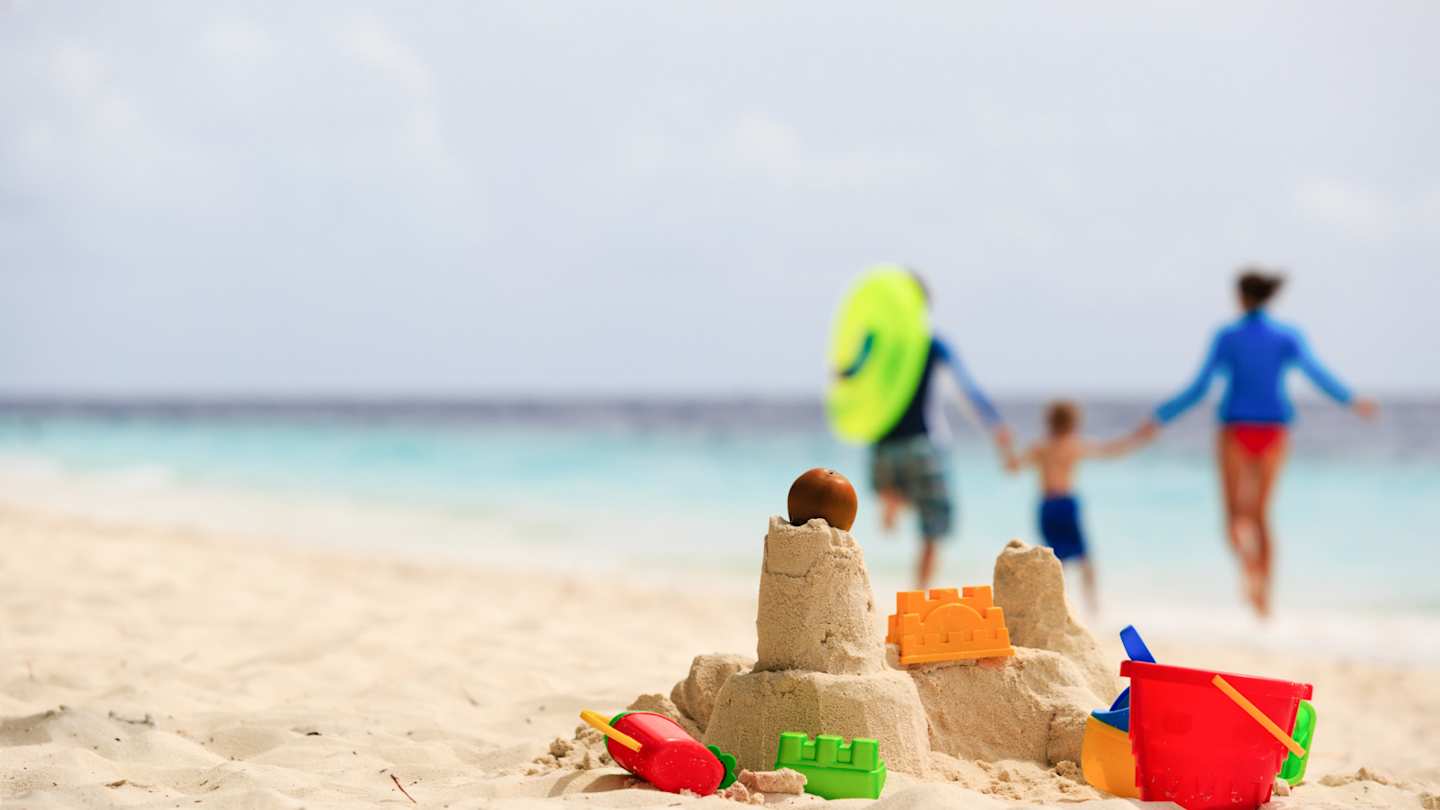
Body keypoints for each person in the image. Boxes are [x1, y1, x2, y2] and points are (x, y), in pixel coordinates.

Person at [1140, 268, 1378, 616]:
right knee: (1262, 515)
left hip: (1235, 427)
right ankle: (1265, 592)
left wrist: (1161, 417)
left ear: (1240, 296)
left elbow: (1201, 386)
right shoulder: (1287, 336)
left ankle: (1250, 572)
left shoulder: (1227, 336)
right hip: (1274, 429)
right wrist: (1352, 400)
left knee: (1234, 519)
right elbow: (1317, 373)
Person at [867, 274, 1011, 590]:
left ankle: (892, 497)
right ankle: (918, 592)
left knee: (902, 492)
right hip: (923, 445)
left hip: (882, 447)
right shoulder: (932, 345)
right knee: (934, 528)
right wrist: (995, 425)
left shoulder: (879, 345)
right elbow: (965, 392)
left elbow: (855, 385)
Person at [1002, 400, 1149, 613]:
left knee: (1055, 562)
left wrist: (1005, 444)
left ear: (1049, 422)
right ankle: (1092, 608)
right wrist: (1138, 437)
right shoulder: (1073, 445)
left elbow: (1012, 468)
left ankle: (1061, 607)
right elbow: (1109, 451)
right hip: (1066, 505)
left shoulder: (1041, 447)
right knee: (1083, 560)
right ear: (1073, 423)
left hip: (1048, 506)